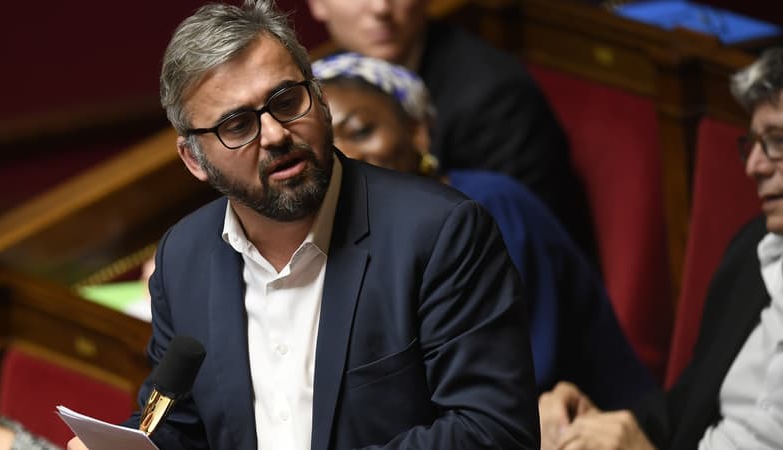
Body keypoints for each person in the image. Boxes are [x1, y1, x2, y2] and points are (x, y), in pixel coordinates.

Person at [67, 1, 539, 449]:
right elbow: (182, 425)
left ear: (320, 98)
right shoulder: (183, 257)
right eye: (236, 125)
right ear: (193, 159)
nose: (274, 134)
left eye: (287, 100)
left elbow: (492, 430)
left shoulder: (439, 233)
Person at [311, 51, 656, 408]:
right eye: (326, 145)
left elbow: (519, 378)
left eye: (361, 131)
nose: (345, 156)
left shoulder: (489, 207)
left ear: (418, 133)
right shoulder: (353, 234)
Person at [538, 47, 783, 450]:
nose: (753, 165)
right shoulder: (753, 248)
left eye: (775, 141)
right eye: (753, 143)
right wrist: (596, 421)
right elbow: (686, 406)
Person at [304, 0, 599, 265]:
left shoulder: (495, 98)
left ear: (418, 131)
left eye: (361, 131)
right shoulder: (321, 80)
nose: (380, 8)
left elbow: (511, 248)